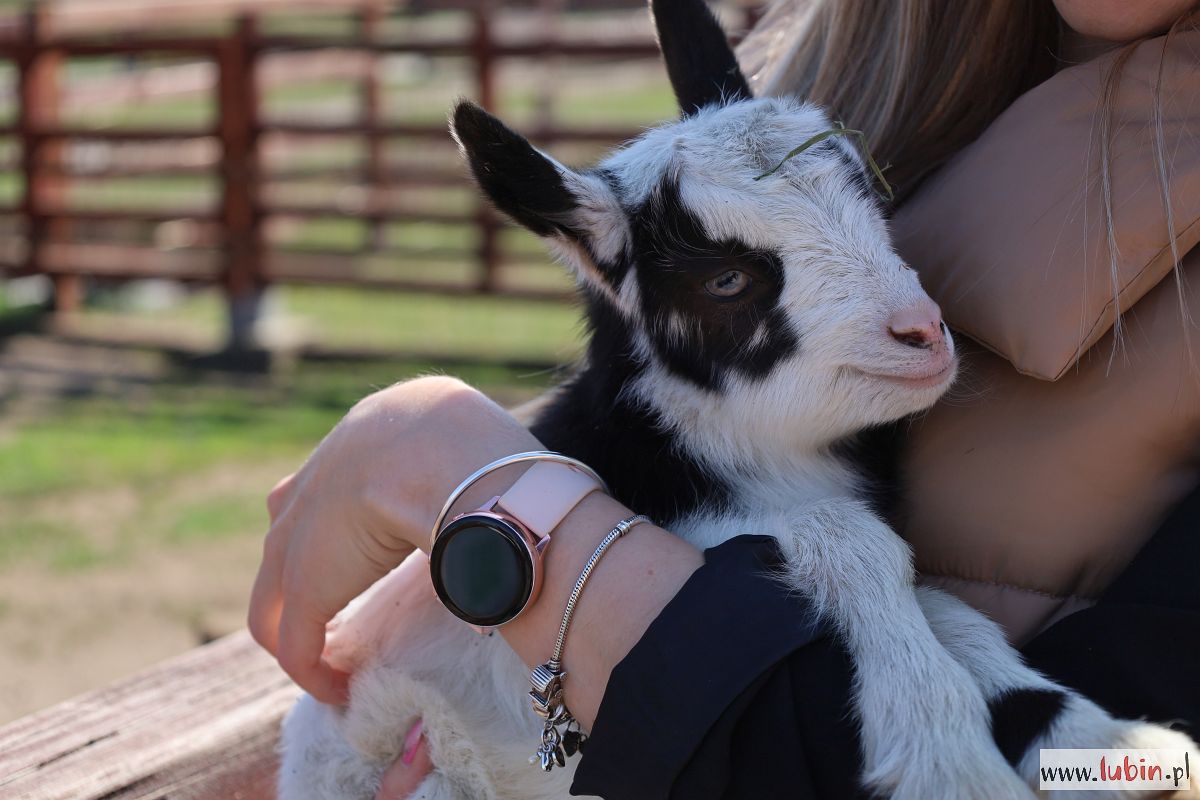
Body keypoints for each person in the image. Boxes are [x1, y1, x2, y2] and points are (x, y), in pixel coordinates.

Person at [249, 0, 1200, 797]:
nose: (921, 309)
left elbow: (1157, 785)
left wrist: (468, 480)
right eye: (734, 282)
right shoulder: (897, 71)